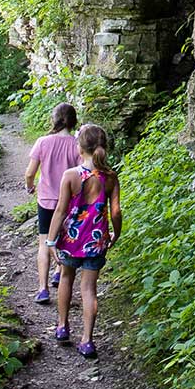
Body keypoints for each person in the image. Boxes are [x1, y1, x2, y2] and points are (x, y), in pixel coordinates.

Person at [45, 123, 122, 358]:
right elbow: (116, 211)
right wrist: (116, 233)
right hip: (96, 241)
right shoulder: (110, 177)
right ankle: (87, 340)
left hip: (71, 239)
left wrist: (50, 241)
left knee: (66, 278)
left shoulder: (71, 175)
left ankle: (62, 326)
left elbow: (59, 211)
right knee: (89, 290)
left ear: (80, 148)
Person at [24, 103, 80, 304]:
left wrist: (30, 187)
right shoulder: (77, 144)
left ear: (54, 119)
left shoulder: (43, 142)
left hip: (46, 200)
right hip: (69, 201)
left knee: (44, 242)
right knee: (64, 240)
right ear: (73, 121)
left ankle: (42, 289)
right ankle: (59, 272)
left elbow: (30, 173)